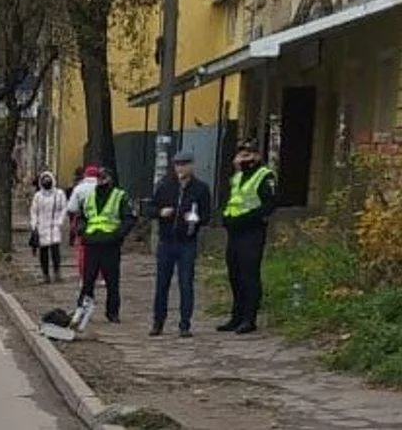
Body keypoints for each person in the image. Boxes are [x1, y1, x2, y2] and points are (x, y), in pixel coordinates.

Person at [217, 138, 277, 335]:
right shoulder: (237, 177)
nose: (244, 159)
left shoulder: (264, 175)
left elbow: (268, 206)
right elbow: (232, 200)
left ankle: (249, 319)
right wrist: (225, 217)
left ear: (257, 156)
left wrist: (244, 219)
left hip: (252, 232)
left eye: (248, 155)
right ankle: (236, 316)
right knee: (234, 275)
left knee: (249, 275)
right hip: (234, 233)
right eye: (241, 155)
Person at [149, 151, 211, 338]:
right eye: (177, 164)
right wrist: (161, 212)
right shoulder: (165, 186)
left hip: (187, 242)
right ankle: (158, 322)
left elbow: (207, 216)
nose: (180, 168)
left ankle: (185, 324)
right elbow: (151, 208)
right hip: (167, 241)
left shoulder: (200, 188)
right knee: (162, 284)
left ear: (192, 166)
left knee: (186, 283)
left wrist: (196, 219)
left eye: (184, 164)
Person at [75, 167, 136, 323]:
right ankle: (82, 311)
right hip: (92, 244)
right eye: (99, 177)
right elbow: (81, 216)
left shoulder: (120, 196)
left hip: (110, 244)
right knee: (88, 280)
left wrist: (117, 235)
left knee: (112, 281)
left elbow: (128, 219)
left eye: (104, 177)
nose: (101, 180)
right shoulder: (89, 196)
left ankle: (112, 313)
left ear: (110, 179)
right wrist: (82, 231)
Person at [29, 171, 67, 283]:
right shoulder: (38, 196)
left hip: (54, 225)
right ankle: (45, 274)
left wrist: (60, 221)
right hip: (42, 227)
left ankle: (57, 272)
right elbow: (34, 211)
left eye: (48, 180)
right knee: (43, 252)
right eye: (44, 180)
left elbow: (64, 208)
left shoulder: (59, 194)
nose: (46, 182)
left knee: (55, 251)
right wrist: (34, 225)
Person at [67, 165, 100, 283]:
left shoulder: (79, 188)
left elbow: (71, 207)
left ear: (85, 175)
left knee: (82, 250)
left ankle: (83, 277)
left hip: (84, 223)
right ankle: (99, 276)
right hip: (101, 223)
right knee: (100, 249)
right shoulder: (103, 187)